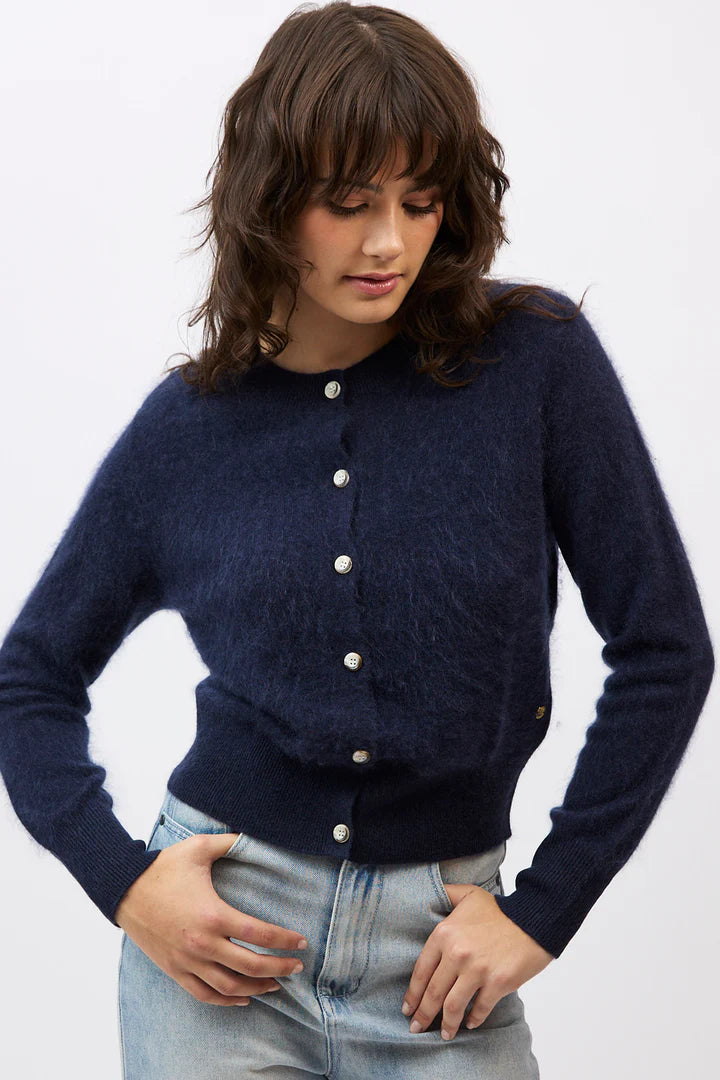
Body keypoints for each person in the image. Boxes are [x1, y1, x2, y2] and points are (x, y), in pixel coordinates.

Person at [0, 3, 713, 1078]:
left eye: (419, 202)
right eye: (347, 203)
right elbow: (30, 677)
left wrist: (545, 909)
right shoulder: (189, 431)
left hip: (442, 965)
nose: (389, 242)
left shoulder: (534, 364)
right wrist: (125, 883)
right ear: (270, 202)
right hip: (222, 954)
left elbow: (666, 648)